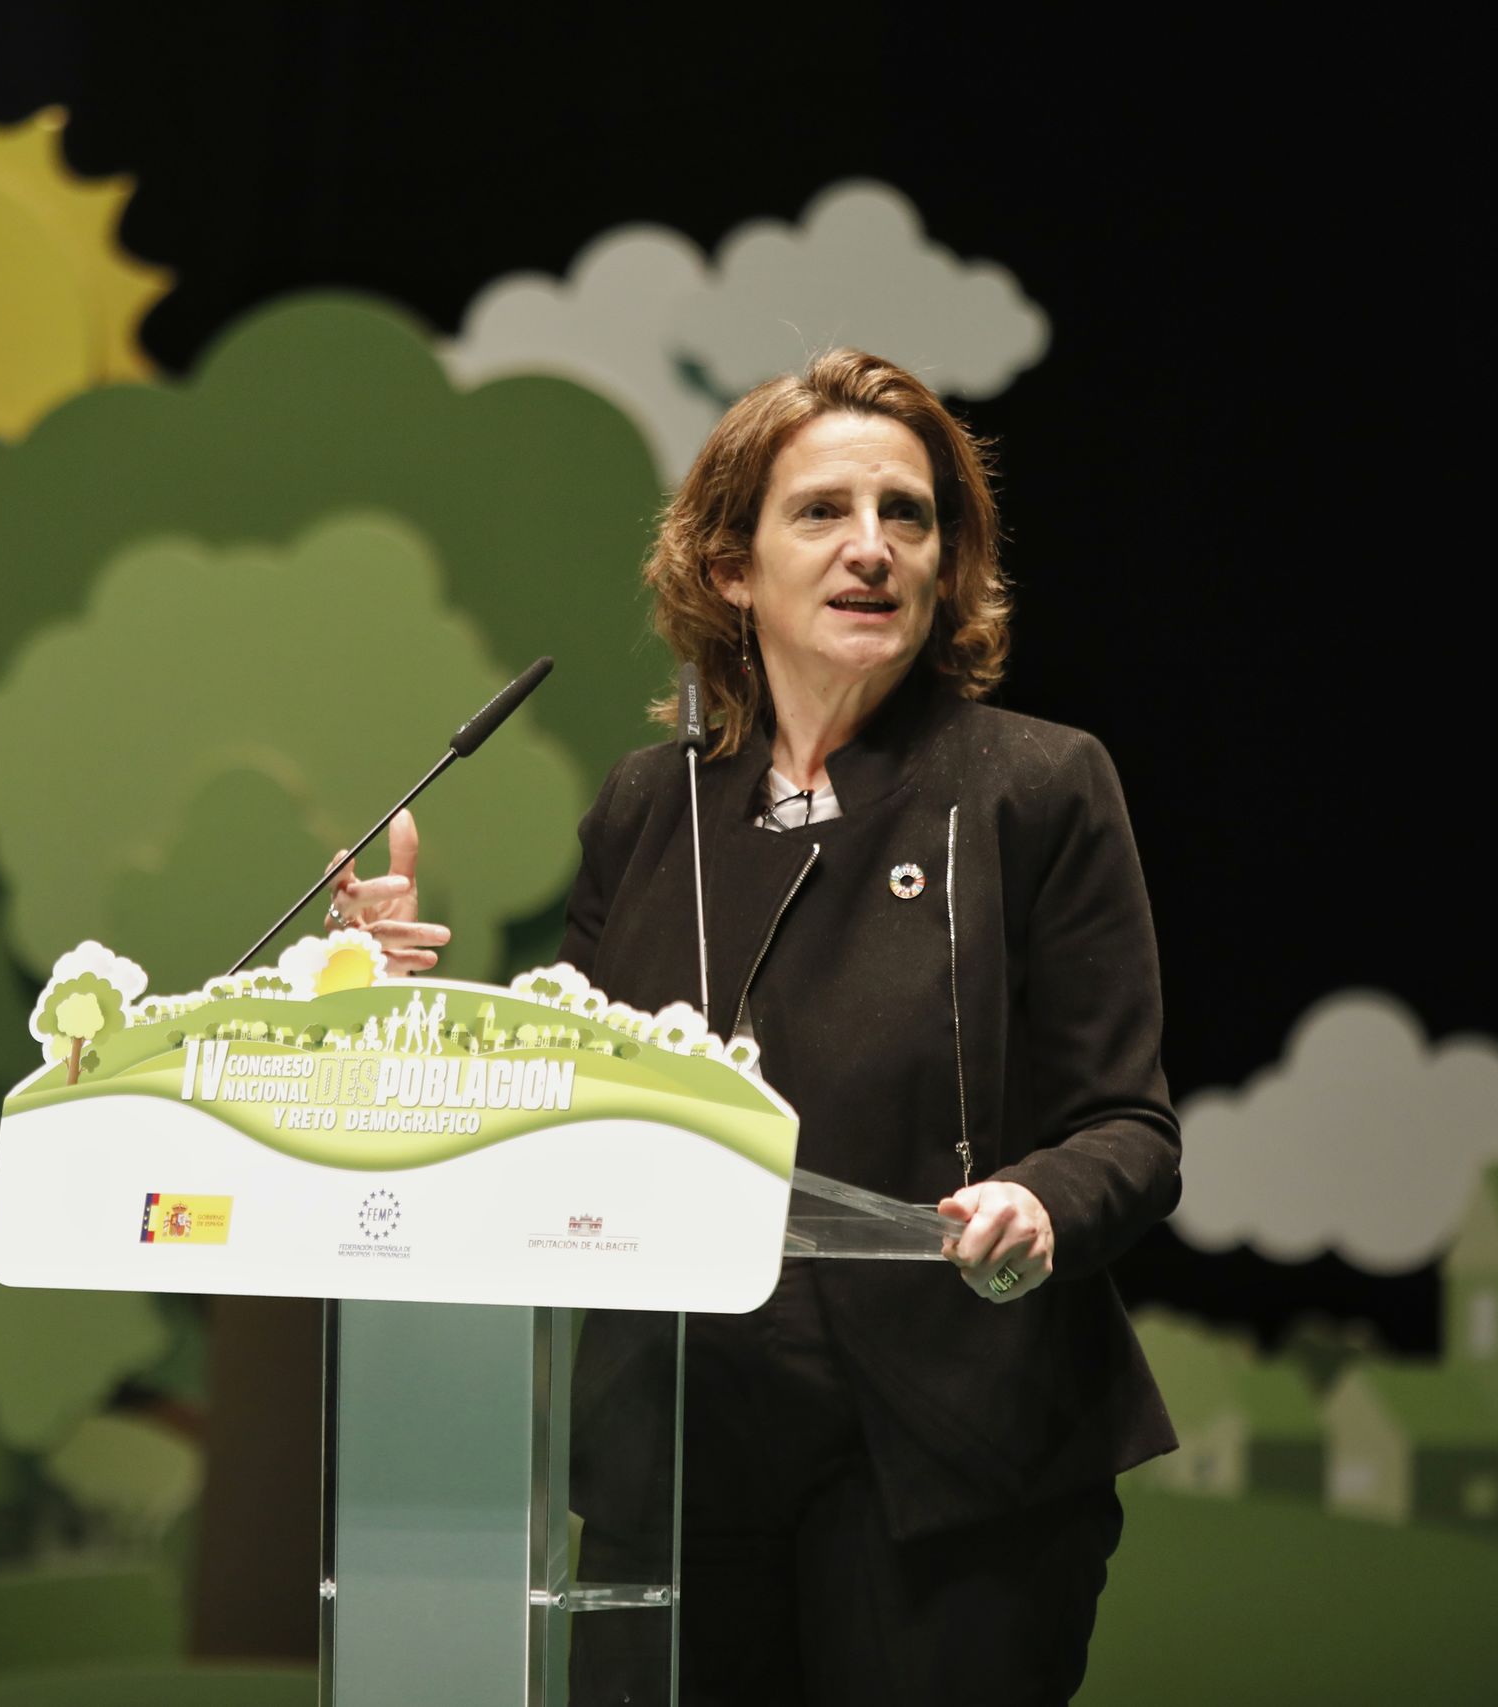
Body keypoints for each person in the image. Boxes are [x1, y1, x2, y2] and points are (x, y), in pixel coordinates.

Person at [329, 348, 1179, 1705]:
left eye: (909, 516)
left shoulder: (1038, 788)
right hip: (681, 1455)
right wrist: (387, 999)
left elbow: (1127, 1128)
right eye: (823, 511)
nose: (873, 548)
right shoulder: (646, 808)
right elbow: (568, 1101)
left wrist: (1039, 1201)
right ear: (731, 567)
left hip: (946, 1460)